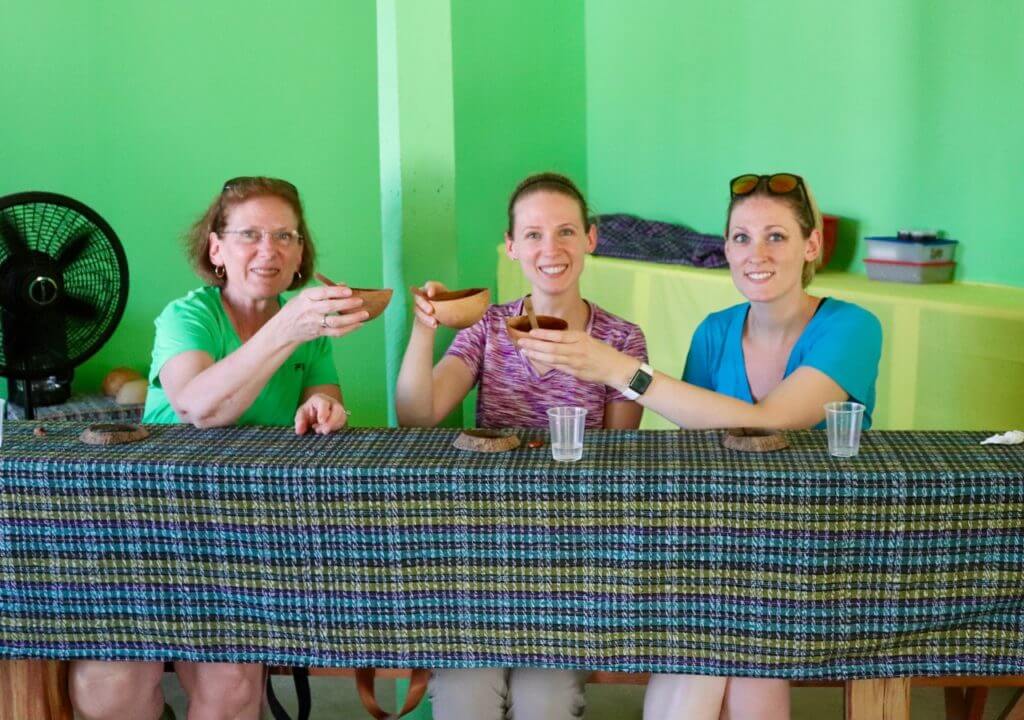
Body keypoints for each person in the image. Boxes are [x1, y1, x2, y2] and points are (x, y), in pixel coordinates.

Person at [517, 172, 882, 720]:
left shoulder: (851, 326)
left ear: (811, 246)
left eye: (776, 236)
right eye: (740, 237)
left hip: (819, 547)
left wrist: (620, 371)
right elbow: (699, 454)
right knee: (720, 643)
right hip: (728, 546)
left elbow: (771, 421)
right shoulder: (714, 332)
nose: (755, 253)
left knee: (718, 641)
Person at [69, 176, 368, 720]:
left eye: (286, 236)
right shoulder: (189, 316)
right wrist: (286, 328)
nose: (269, 249)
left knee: (231, 684)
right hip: (150, 520)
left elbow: (323, 394)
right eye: (249, 233)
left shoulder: (309, 328)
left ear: (301, 252)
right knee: (110, 680)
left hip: (245, 529)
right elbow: (198, 408)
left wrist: (325, 408)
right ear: (216, 248)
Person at [395, 172, 649, 719]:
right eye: (532, 235)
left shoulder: (623, 341)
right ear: (511, 248)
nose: (550, 249)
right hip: (482, 552)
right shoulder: (488, 328)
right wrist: (423, 328)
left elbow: (622, 459)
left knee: (545, 703)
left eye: (565, 232)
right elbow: (417, 415)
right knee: (465, 700)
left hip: (570, 556)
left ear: (590, 239)